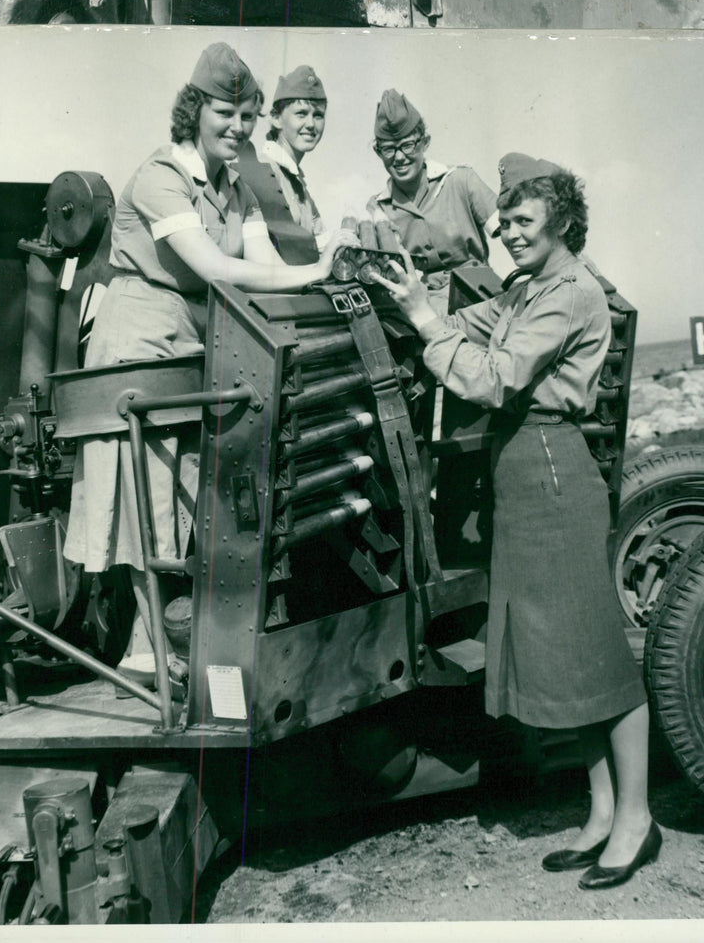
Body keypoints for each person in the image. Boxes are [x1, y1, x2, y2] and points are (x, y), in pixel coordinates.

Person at [374, 153, 659, 890]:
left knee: (598, 654)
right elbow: (467, 323)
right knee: (565, 656)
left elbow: (495, 376)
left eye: (524, 220)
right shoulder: (527, 286)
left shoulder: (570, 292)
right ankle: (601, 812)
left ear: (563, 219)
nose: (508, 233)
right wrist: (412, 296)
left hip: (555, 471)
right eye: (503, 222)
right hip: (526, 474)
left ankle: (637, 820)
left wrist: (422, 319)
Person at [63, 42, 347, 685]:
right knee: (145, 499)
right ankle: (145, 653)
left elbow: (260, 269)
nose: (239, 128)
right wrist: (315, 269)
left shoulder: (236, 185)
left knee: (189, 497)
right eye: (226, 112)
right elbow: (216, 269)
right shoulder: (161, 177)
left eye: (248, 116)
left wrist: (316, 277)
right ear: (194, 110)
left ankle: (156, 645)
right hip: (138, 346)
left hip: (194, 344)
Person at [366, 89, 496, 315]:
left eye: (407, 145)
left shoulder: (460, 181)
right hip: (419, 307)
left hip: (480, 298)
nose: (398, 157)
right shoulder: (378, 208)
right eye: (388, 149)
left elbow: (514, 230)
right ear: (379, 153)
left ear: (425, 142)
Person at [239, 64, 328, 265]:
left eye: (318, 115)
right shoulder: (259, 170)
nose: (311, 124)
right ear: (277, 119)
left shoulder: (296, 181)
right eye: (301, 113)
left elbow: (318, 243)